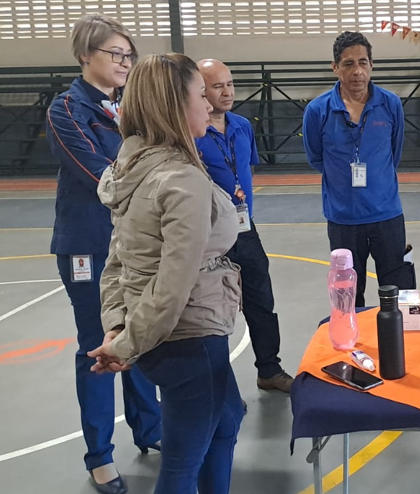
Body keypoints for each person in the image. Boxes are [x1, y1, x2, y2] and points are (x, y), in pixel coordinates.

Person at [88, 53, 245, 494]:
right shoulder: (181, 181)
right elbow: (173, 285)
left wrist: (118, 326)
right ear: (176, 105)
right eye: (201, 95)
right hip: (187, 337)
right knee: (181, 462)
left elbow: (117, 260)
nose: (210, 106)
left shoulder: (131, 169)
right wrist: (125, 343)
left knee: (227, 418)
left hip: (167, 336)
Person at [45, 13, 160, 494]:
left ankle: (150, 430)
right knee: (99, 343)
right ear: (84, 56)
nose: (124, 62)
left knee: (138, 337)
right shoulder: (66, 110)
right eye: (115, 53)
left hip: (130, 244)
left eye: (128, 55)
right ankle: (99, 456)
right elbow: (103, 178)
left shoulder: (128, 107)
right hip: (87, 247)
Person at [195, 59, 294, 393]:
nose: (227, 92)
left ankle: (270, 369)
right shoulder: (192, 132)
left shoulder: (241, 125)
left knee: (261, 298)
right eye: (217, 85)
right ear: (200, 91)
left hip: (244, 227)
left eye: (230, 84)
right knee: (213, 307)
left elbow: (246, 172)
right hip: (210, 233)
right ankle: (218, 386)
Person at [302, 31, 415, 307]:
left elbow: (394, 153)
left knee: (399, 294)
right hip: (343, 220)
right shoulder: (317, 111)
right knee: (348, 299)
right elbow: (316, 158)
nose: (357, 71)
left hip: (387, 216)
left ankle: (403, 345)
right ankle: (353, 347)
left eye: (363, 63)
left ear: (371, 66)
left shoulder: (390, 104)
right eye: (348, 63)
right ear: (335, 67)